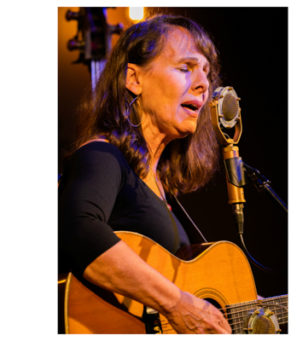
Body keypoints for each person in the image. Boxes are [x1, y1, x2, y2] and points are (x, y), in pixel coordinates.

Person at [59, 15, 230, 333]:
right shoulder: (102, 155)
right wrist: (177, 303)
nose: (204, 85)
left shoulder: (160, 184)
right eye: (185, 68)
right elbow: (77, 229)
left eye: (207, 73)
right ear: (134, 79)